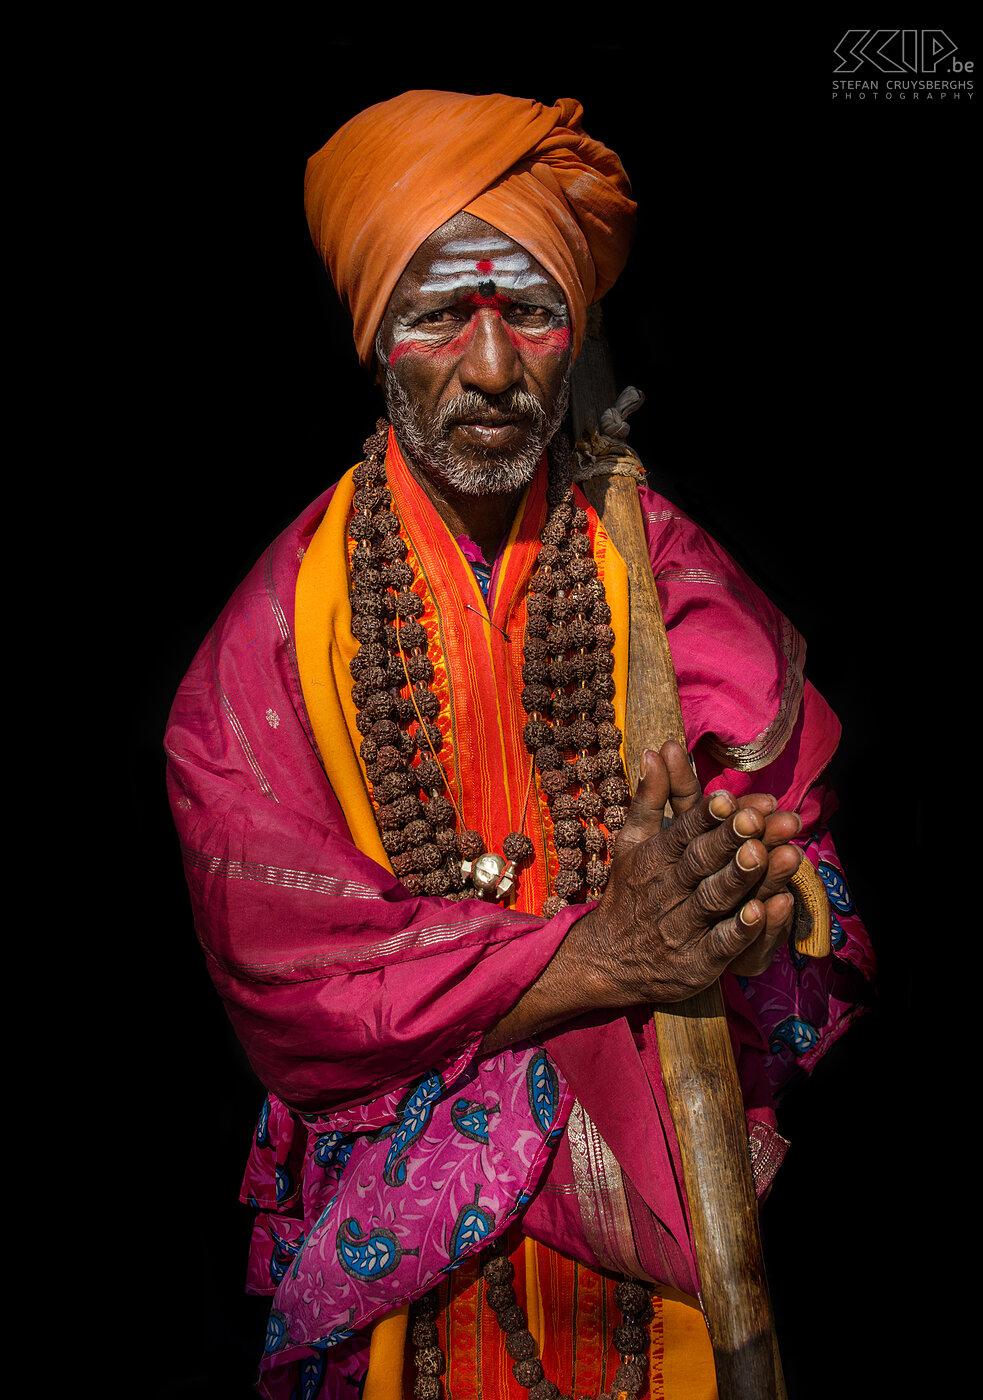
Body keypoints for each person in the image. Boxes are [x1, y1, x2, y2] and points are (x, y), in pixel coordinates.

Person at [166, 90, 875, 1400]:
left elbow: (809, 873)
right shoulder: (271, 645)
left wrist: (756, 903)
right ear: (379, 329)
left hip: (654, 1244)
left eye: (531, 312)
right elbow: (287, 987)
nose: (494, 371)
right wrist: (600, 953)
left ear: (577, 333)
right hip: (397, 1271)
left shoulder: (662, 574)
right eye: (443, 312)